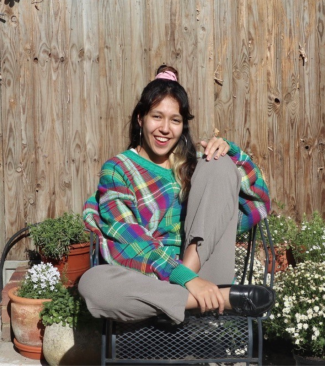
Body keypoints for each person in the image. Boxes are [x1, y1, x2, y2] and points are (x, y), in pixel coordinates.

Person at [79, 65, 274, 325]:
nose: (165, 128)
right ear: (140, 119)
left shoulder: (196, 167)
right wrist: (186, 280)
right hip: (147, 280)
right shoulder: (118, 169)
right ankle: (206, 301)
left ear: (183, 126)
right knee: (94, 285)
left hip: (206, 275)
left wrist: (232, 155)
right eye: (156, 117)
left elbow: (256, 205)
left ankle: (176, 301)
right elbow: (127, 237)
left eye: (175, 120)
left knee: (219, 163)